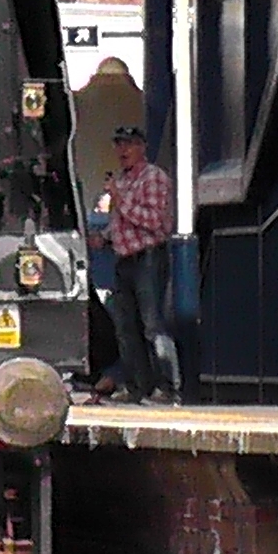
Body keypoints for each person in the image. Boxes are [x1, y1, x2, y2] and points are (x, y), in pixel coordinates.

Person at [89, 125, 177, 403]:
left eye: (128, 144)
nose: (122, 151)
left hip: (148, 258)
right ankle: (138, 386)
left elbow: (154, 221)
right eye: (119, 145)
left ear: (142, 147)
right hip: (123, 259)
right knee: (125, 327)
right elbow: (122, 223)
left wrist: (119, 199)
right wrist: (103, 238)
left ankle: (167, 386)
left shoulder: (154, 178)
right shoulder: (123, 181)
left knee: (152, 324)